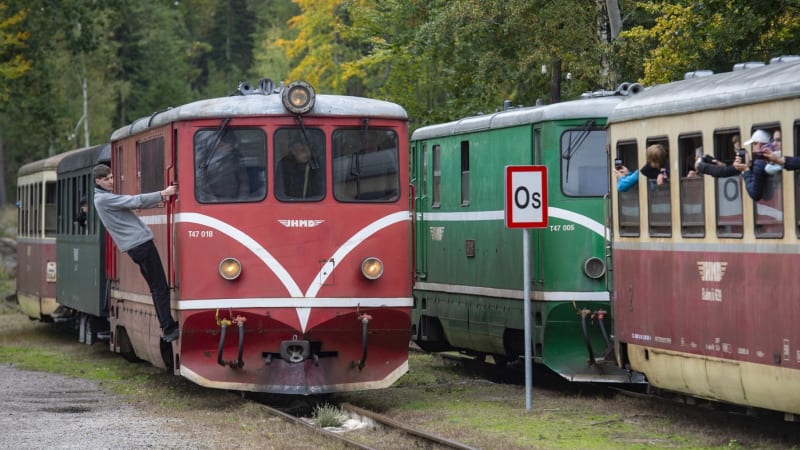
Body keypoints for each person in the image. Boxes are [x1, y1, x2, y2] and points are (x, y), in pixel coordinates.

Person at [93, 164, 180, 342]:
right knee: (159, 286)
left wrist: (158, 200)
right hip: (141, 244)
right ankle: (169, 328)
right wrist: (163, 193)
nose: (111, 181)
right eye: (107, 179)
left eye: (112, 177)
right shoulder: (103, 199)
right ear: (98, 181)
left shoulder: (103, 198)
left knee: (156, 287)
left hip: (136, 246)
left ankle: (167, 326)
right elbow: (134, 201)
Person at [197, 132, 250, 201]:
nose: (229, 148)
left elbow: (244, 182)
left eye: (231, 145)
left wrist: (241, 199)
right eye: (221, 145)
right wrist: (211, 199)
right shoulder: (206, 160)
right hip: (212, 202)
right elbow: (201, 181)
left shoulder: (236, 160)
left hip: (233, 200)